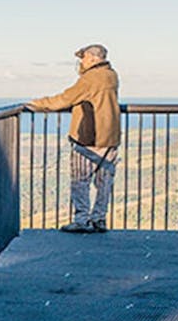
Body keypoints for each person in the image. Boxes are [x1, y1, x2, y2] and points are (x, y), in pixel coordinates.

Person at [26, 44, 120, 233]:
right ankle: (99, 218)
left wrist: (37, 104)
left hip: (89, 136)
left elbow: (64, 99)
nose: (80, 63)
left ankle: (82, 220)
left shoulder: (91, 78)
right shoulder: (111, 75)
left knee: (80, 179)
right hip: (109, 136)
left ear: (93, 58)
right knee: (104, 180)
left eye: (83, 58)